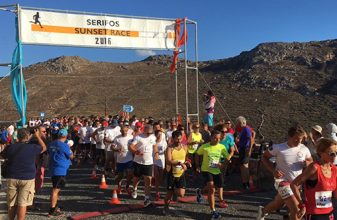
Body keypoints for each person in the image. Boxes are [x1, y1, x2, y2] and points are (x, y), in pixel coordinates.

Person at [257, 125, 313, 220]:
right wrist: (273, 171)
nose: (299, 142)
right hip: (282, 182)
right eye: (296, 139)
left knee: (278, 204)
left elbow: (310, 161)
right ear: (289, 137)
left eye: (301, 139)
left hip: (296, 184)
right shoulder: (278, 148)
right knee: (296, 209)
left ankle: (262, 211)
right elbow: (264, 157)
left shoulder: (304, 148)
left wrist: (307, 163)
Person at [291, 138, 337, 220]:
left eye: (336, 153)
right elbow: (294, 184)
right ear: (321, 153)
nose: (335, 156)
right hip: (314, 213)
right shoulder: (314, 168)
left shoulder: (334, 169)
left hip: (330, 212)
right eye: (331, 153)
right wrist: (302, 204)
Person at [5, 128, 46, 220]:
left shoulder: (11, 147)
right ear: (28, 136)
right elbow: (44, 147)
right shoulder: (32, 147)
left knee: (12, 203)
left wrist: (11, 138)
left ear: (18, 136)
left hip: (12, 176)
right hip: (27, 178)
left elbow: (4, 154)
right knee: (22, 203)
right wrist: (37, 136)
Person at [196, 130, 230, 220]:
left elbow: (227, 157)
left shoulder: (221, 147)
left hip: (216, 171)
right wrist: (198, 165)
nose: (217, 140)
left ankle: (200, 192)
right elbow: (197, 154)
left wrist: (222, 165)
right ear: (211, 137)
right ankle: (213, 211)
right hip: (206, 170)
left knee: (215, 186)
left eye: (219, 138)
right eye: (215, 138)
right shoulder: (205, 147)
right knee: (212, 188)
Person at [129, 124, 159, 207]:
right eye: (147, 133)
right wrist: (136, 152)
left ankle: (146, 198)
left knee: (148, 180)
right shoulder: (138, 137)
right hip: (138, 162)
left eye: (150, 133)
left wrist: (156, 153)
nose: (149, 134)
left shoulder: (153, 137)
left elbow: (155, 145)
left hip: (149, 162)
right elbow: (131, 146)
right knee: (136, 179)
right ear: (144, 130)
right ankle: (134, 189)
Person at [48, 129, 74, 217]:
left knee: (56, 189)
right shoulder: (64, 146)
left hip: (53, 168)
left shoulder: (51, 144)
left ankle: (54, 206)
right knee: (55, 190)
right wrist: (70, 147)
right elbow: (72, 156)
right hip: (60, 170)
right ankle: (52, 210)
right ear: (66, 136)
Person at [163, 130, 189, 215]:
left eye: (180, 139)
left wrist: (187, 163)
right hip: (171, 174)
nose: (179, 141)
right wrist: (179, 163)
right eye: (177, 139)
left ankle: (175, 191)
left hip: (181, 173)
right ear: (173, 139)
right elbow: (168, 161)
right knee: (168, 194)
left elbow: (186, 158)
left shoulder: (184, 147)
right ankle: (166, 207)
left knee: (181, 194)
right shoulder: (170, 148)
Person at [112, 125, 134, 194]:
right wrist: (117, 149)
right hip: (120, 159)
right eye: (122, 131)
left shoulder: (131, 137)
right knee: (121, 175)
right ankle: (117, 184)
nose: (124, 132)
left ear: (127, 130)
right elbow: (112, 147)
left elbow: (135, 145)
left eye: (125, 131)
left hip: (129, 158)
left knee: (130, 173)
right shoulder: (117, 138)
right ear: (120, 131)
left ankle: (127, 186)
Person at [236, 116, 254, 190]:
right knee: (243, 166)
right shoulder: (244, 129)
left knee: (244, 166)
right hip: (243, 148)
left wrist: (249, 149)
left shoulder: (246, 129)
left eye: (238, 123)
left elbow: (251, 139)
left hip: (245, 149)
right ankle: (245, 182)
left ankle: (246, 183)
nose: (237, 125)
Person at [153, 129, 168, 201]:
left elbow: (166, 151)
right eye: (158, 134)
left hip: (162, 159)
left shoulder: (164, 142)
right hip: (154, 159)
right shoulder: (153, 141)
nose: (160, 136)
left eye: (161, 134)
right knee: (156, 176)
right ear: (155, 135)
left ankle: (158, 186)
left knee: (161, 177)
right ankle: (157, 192)